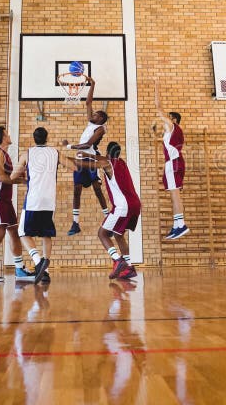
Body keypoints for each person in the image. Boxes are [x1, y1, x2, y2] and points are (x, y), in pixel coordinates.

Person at [65, 141, 139, 280]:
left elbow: (83, 164)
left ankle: (118, 260)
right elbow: (100, 159)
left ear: (108, 154)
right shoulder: (121, 162)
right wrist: (88, 154)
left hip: (122, 206)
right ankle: (129, 267)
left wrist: (62, 158)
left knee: (102, 234)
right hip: (135, 204)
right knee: (118, 235)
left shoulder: (107, 163)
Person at [11, 127, 73, 284]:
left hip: (33, 199)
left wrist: (24, 176)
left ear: (34, 138)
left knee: (22, 231)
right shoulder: (55, 153)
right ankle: (45, 272)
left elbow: (12, 176)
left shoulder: (28, 154)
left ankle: (38, 261)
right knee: (46, 234)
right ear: (47, 137)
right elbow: (74, 167)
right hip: (49, 200)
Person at [0, 126, 37, 284]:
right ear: (3, 137)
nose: (9, 135)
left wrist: (23, 180)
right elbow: (1, 178)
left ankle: (19, 268)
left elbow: (9, 177)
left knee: (14, 231)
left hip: (6, 199)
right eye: (7, 133)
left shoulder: (5, 154)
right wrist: (20, 179)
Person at [60, 75, 110, 236]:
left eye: (95, 114)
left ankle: (108, 217)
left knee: (97, 189)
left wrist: (68, 146)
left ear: (101, 118)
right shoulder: (91, 123)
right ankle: (75, 223)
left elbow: (88, 145)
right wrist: (92, 84)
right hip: (81, 159)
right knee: (76, 189)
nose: (92, 114)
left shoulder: (100, 128)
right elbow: (88, 103)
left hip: (90, 158)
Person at [152, 80, 189, 240]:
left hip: (173, 164)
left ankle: (181, 225)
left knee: (175, 196)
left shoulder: (173, 127)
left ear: (173, 120)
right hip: (174, 163)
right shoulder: (173, 133)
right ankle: (177, 225)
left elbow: (159, 108)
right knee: (174, 195)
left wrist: (156, 86)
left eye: (168, 118)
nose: (165, 120)